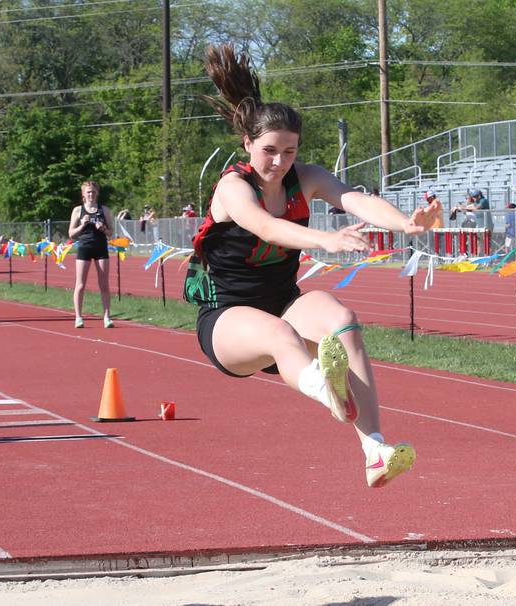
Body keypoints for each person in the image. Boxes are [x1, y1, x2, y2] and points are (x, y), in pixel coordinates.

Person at [184, 44, 436, 488]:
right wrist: (326, 240)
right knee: (280, 335)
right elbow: (265, 227)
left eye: (290, 151)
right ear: (247, 144)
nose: (280, 162)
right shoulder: (233, 187)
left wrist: (407, 224)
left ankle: (375, 448)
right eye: (270, 151)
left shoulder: (308, 177)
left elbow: (354, 197)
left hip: (284, 302)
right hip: (227, 318)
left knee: (342, 320)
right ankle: (327, 389)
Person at [68, 180, 114, 328]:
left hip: (101, 247)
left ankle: (107, 317)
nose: (91, 194)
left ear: (97, 193)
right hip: (84, 247)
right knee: (80, 284)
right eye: (88, 192)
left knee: (104, 284)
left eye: (93, 192)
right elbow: (71, 233)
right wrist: (82, 224)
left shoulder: (104, 210)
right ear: (83, 194)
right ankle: (78, 317)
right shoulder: (77, 210)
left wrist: (103, 229)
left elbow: (111, 233)